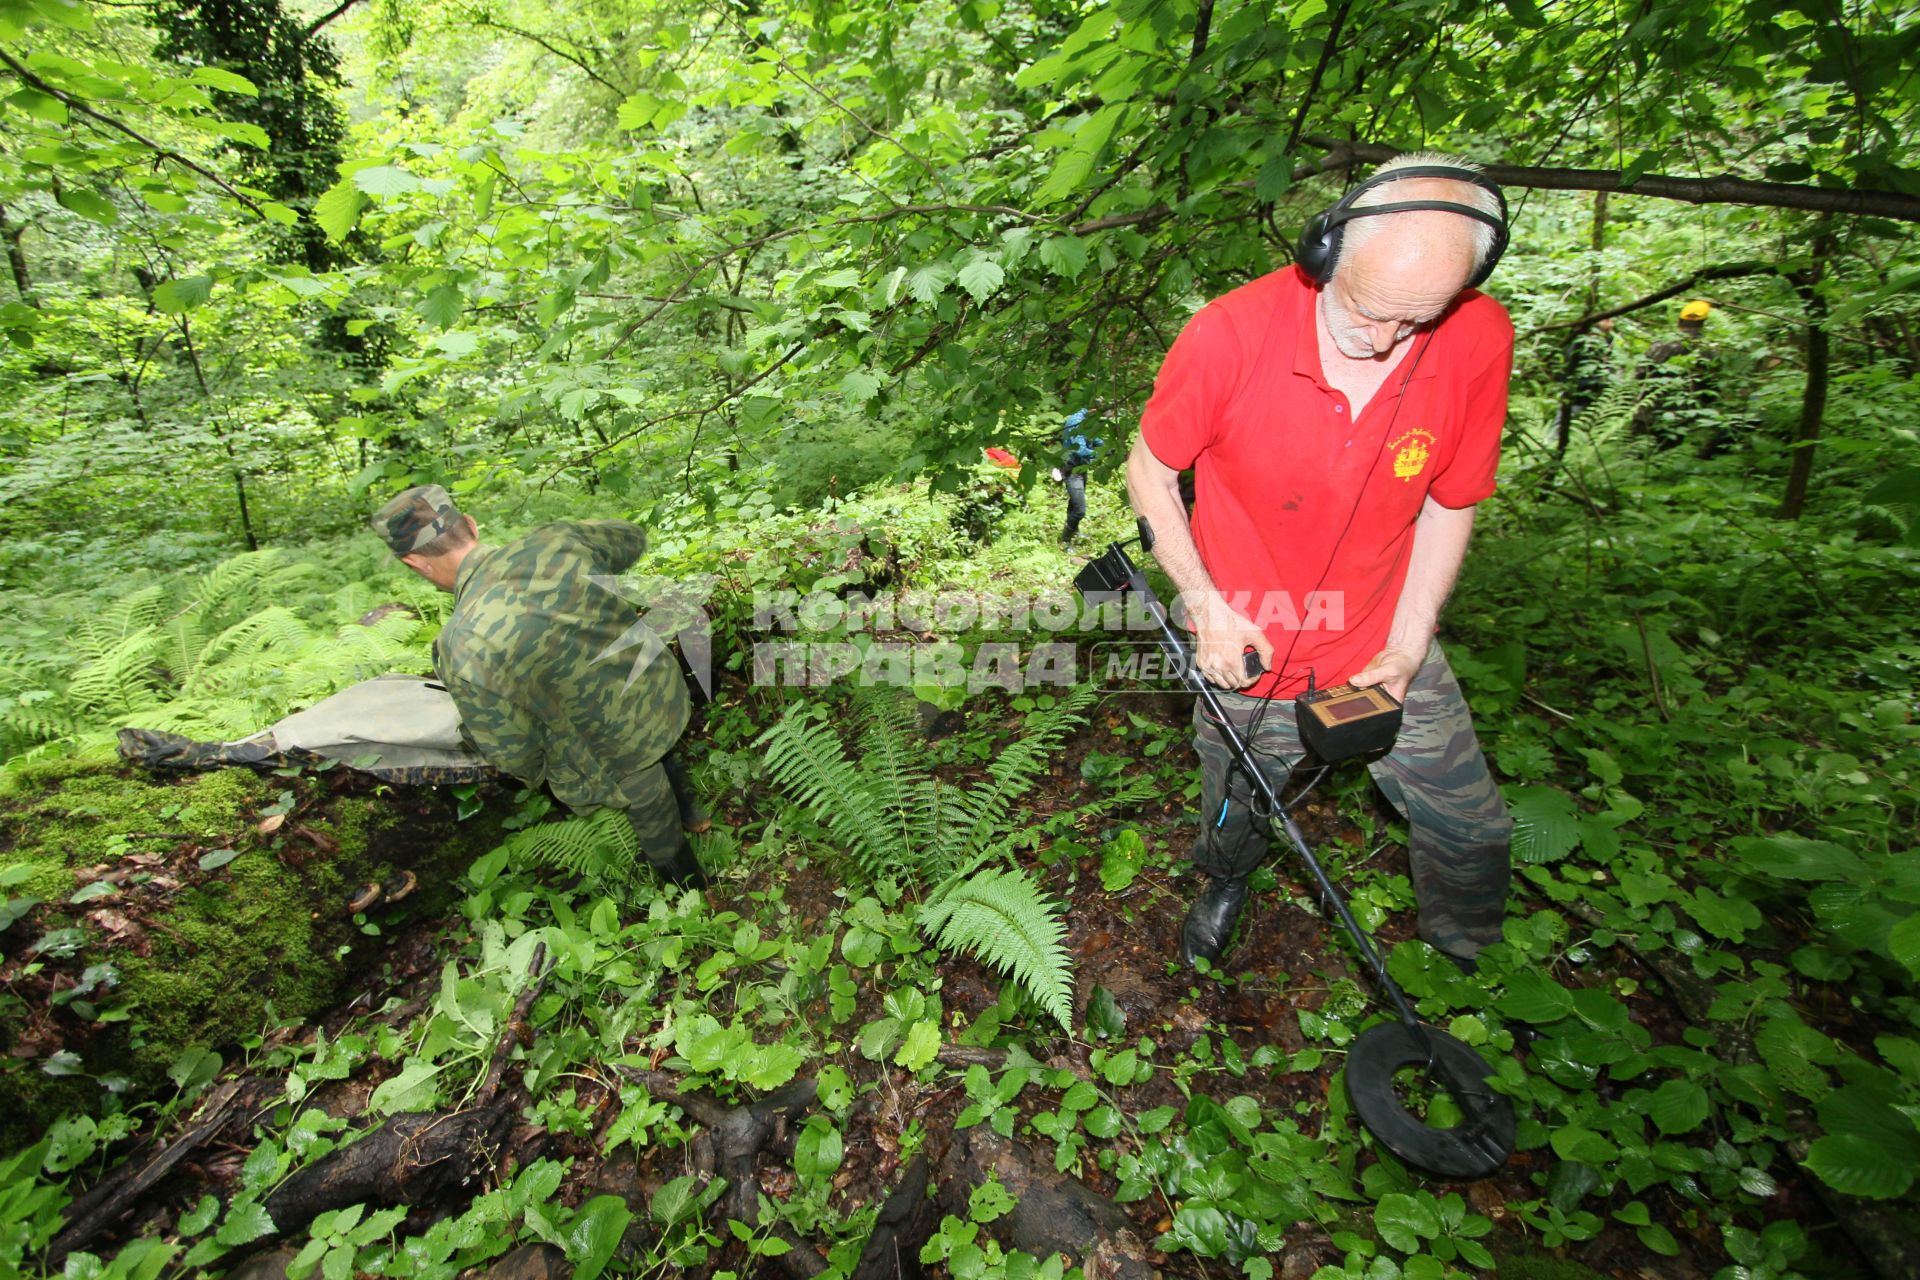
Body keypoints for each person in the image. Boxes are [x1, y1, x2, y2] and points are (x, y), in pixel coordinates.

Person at [1125, 152, 1515, 972]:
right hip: (1249, 644)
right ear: (1325, 250)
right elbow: (1151, 472)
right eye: (1367, 309)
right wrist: (1203, 602)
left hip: (1381, 639)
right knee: (1235, 808)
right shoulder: (1231, 334)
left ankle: (1467, 954)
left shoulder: (1479, 338)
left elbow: (1451, 500)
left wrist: (1408, 649)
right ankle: (1224, 885)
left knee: (1473, 825)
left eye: (1414, 321)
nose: (1381, 341)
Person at [370, 485, 708, 884]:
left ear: (415, 563)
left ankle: (690, 892)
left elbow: (512, 749)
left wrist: (543, 773)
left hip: (611, 747)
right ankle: (696, 816)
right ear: (472, 526)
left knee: (655, 821)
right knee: (663, 748)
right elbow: (631, 539)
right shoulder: (556, 542)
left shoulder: (459, 645)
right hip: (660, 690)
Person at [1058, 408, 1103, 546]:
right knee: (1079, 510)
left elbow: (1092, 438)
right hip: (1072, 469)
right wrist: (1101, 453)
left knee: (1074, 504)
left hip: (1081, 468)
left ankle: (1074, 531)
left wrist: (1105, 445)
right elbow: (1080, 449)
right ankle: (1064, 540)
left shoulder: (1086, 420)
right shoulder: (1076, 422)